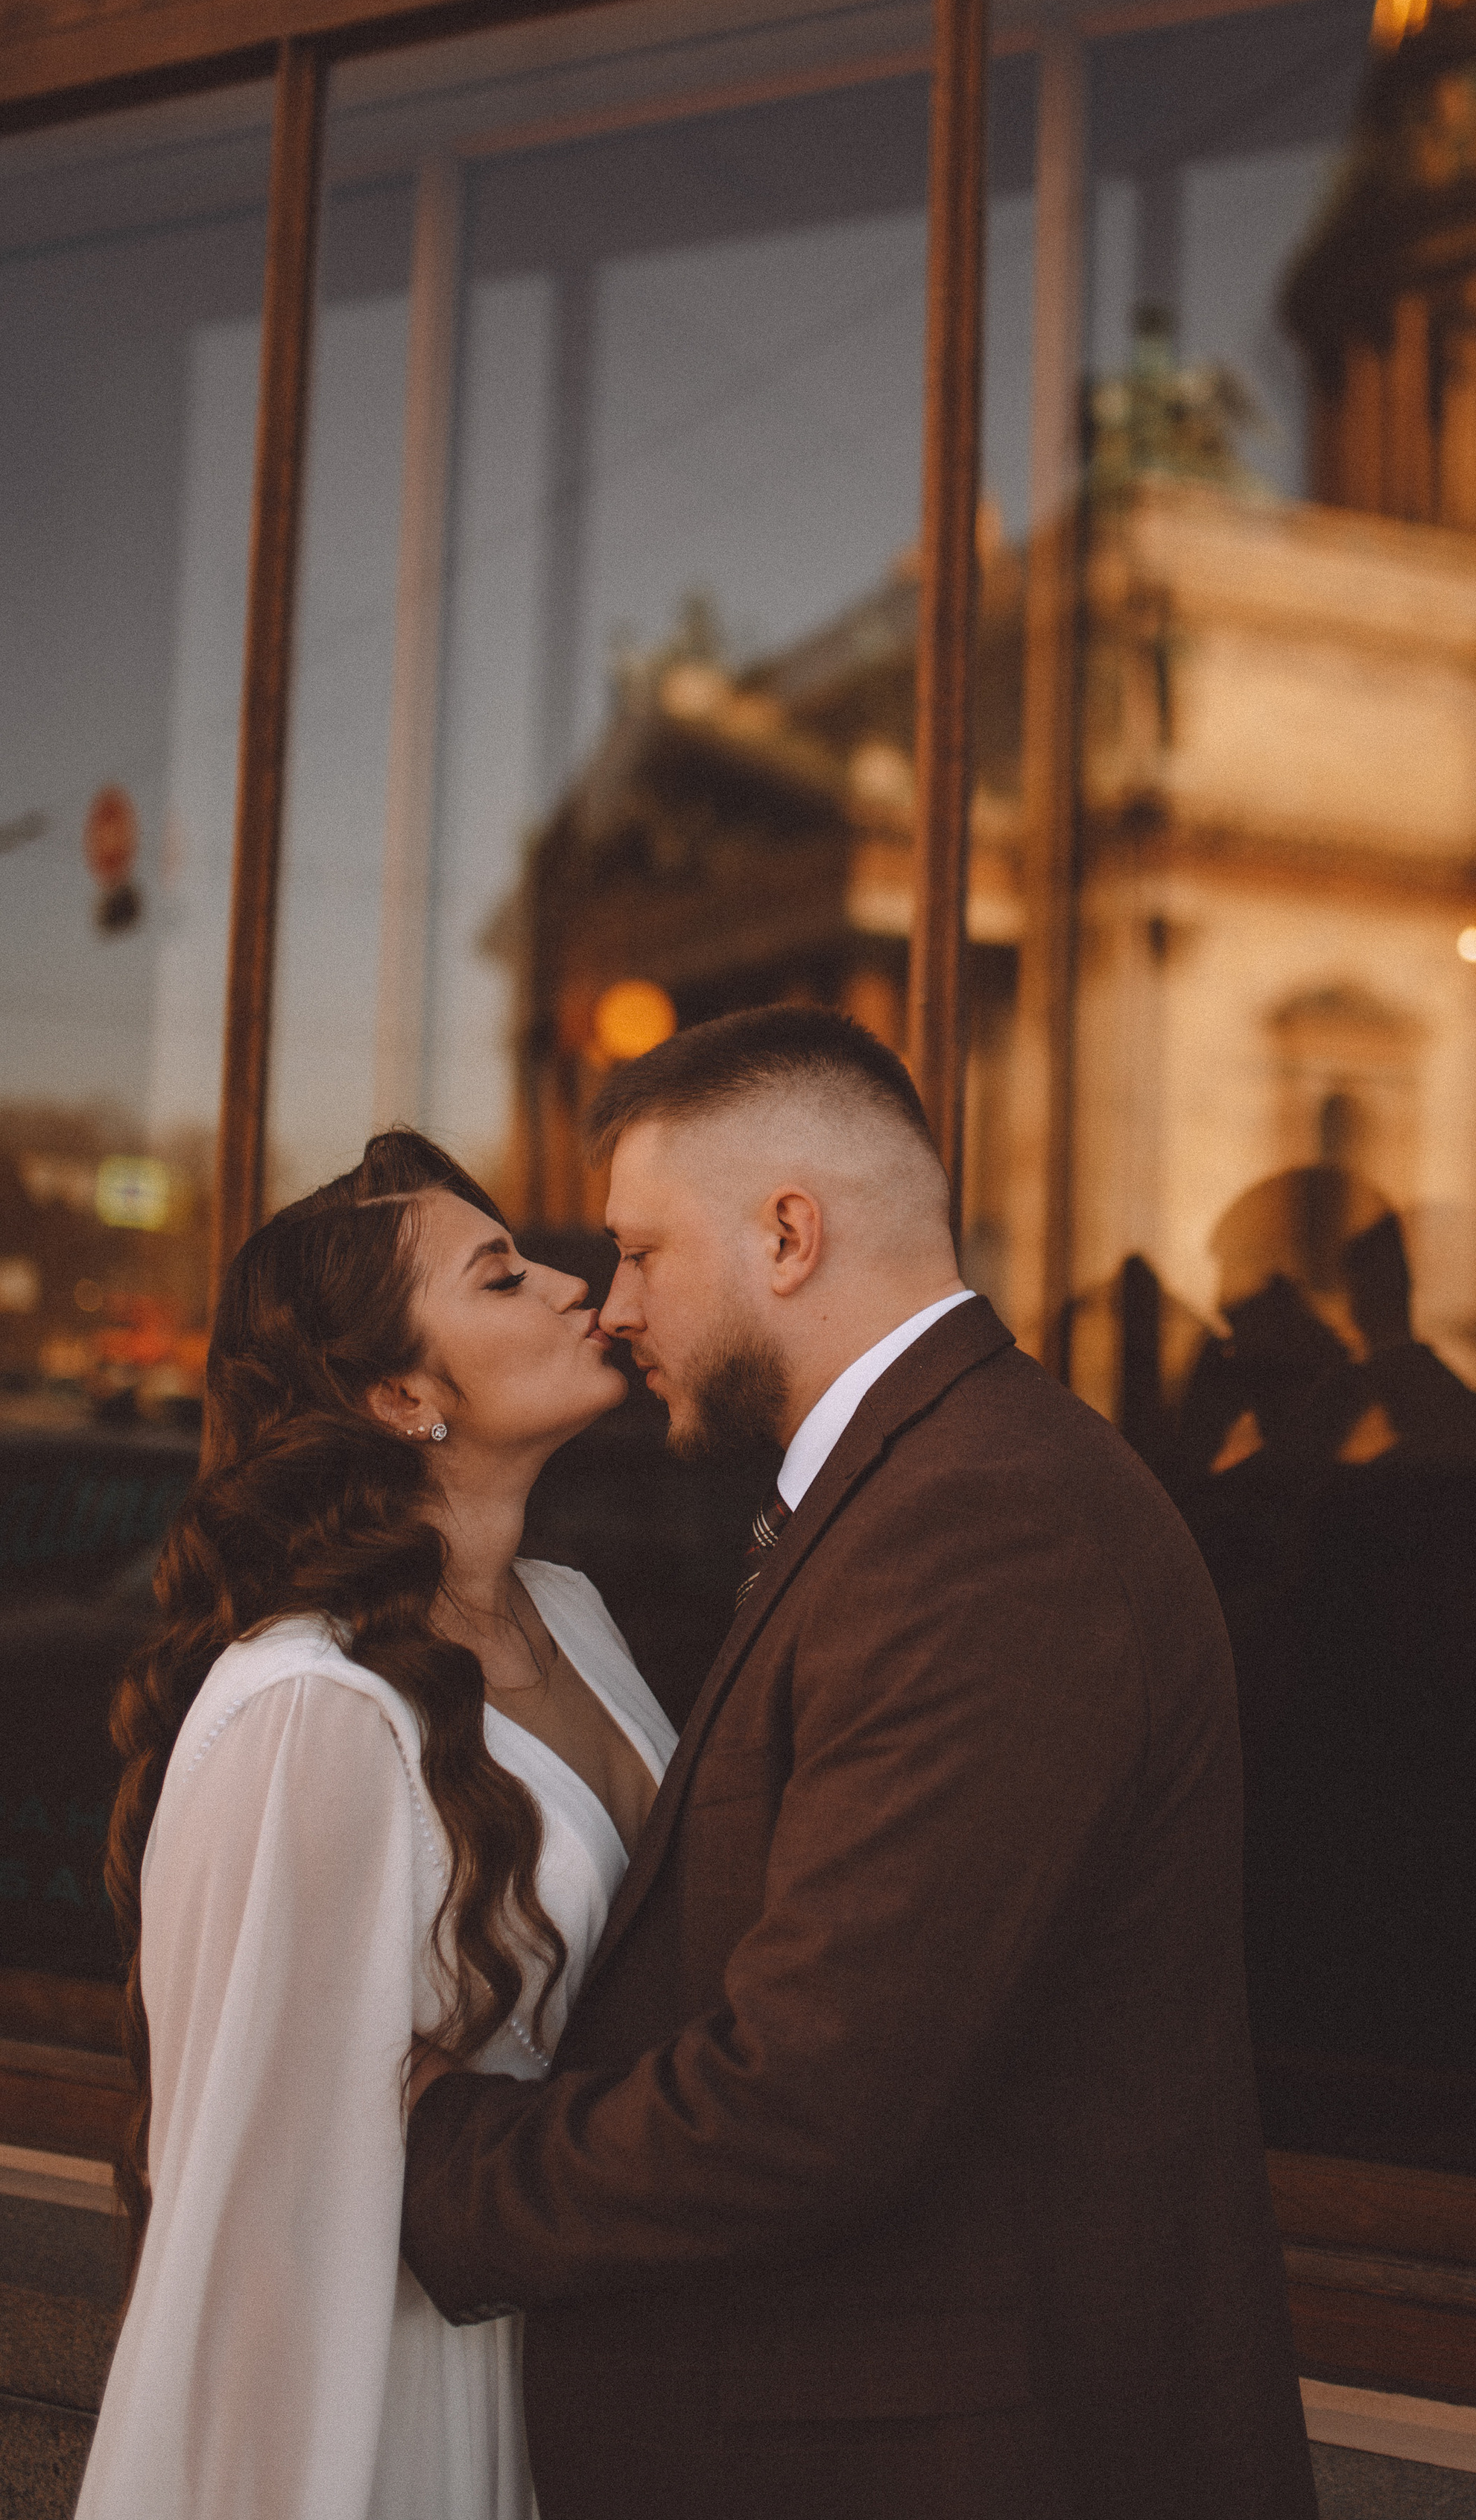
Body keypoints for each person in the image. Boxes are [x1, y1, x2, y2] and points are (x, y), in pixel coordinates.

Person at [402, 1004, 1316, 2520]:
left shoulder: (984, 1526)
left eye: (642, 1251)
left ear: (787, 1235)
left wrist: (438, 2154)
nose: (613, 1308)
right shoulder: (933, 1483)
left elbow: (811, 2099)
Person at [77, 1130, 676, 2520]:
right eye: (502, 1277)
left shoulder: (572, 1612)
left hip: (589, 2368)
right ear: (403, 1393)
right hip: (402, 2401)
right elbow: (253, 2213)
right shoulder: (314, 1709)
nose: (571, 1283)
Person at [1179, 1166, 1476, 2175]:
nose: (1231, 1348)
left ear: (1319, 1310)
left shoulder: (1331, 1505)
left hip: (1355, 2008)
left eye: (1245, 1317)